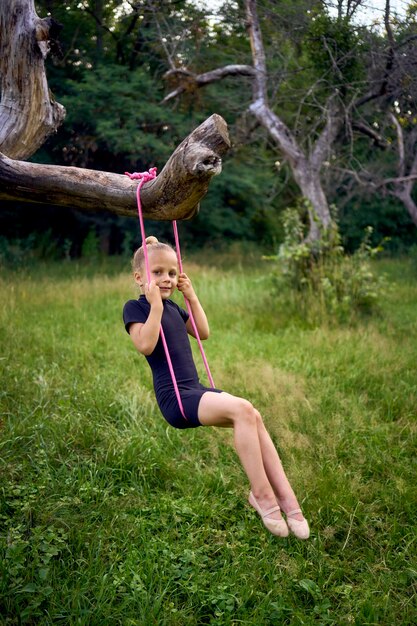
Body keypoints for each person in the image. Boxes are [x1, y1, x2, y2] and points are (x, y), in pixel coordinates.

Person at [123, 236, 309, 539]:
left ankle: (287, 499)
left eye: (172, 272)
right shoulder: (136, 308)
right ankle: (262, 496)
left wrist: (191, 296)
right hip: (176, 400)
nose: (166, 279)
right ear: (139, 277)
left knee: (253, 415)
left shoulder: (173, 307)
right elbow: (145, 344)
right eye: (157, 272)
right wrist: (155, 306)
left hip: (194, 389)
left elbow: (203, 332)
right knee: (242, 409)